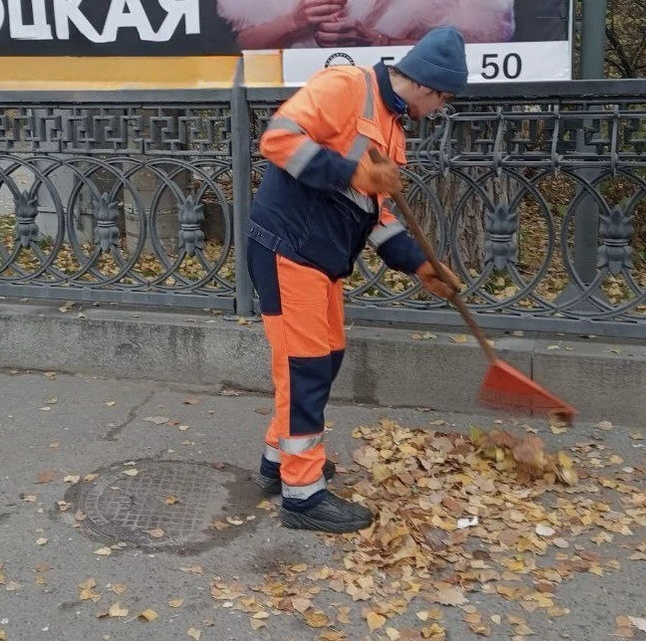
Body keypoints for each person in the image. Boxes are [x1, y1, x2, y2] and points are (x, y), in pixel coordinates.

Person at [246, 26, 467, 534]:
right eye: (443, 101)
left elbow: (375, 214)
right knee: (304, 367)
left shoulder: (392, 128)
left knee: (324, 358)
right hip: (287, 247)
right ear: (430, 87)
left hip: (321, 258)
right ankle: (302, 497)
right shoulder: (346, 86)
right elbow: (278, 139)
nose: (438, 110)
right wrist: (352, 172)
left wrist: (419, 264)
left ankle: (278, 462)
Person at [215, 0, 513, 50]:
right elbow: (241, 46)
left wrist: (380, 42)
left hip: (407, 110)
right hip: (310, 107)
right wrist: (294, 21)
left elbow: (479, 45)